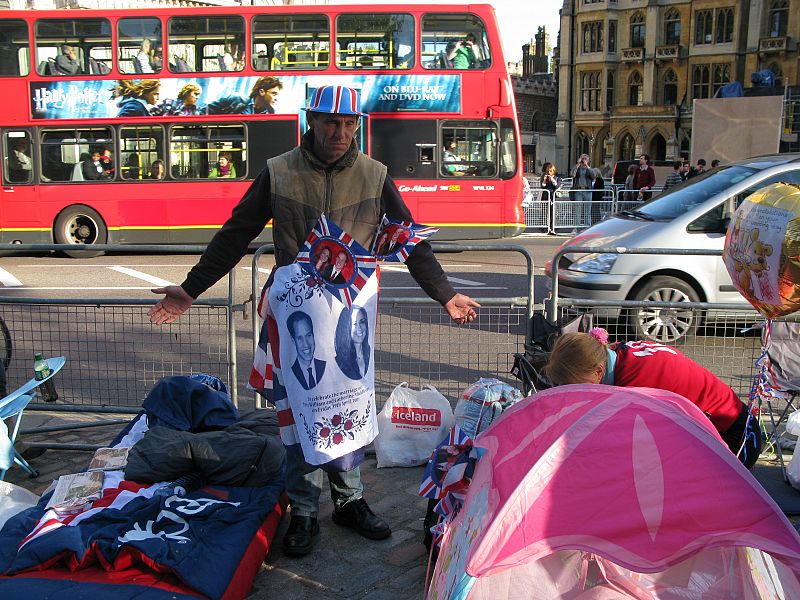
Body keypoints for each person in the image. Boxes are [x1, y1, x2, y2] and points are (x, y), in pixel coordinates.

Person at [147, 84, 479, 557]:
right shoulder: (278, 172)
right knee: (296, 411)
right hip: (295, 315)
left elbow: (411, 242)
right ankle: (302, 507)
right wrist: (190, 289)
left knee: (349, 403)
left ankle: (350, 500)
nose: (340, 132)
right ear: (311, 120)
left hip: (350, 320)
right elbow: (236, 233)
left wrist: (445, 294)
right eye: (330, 122)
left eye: (348, 124)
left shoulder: (374, 174)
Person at [543, 330, 763, 469]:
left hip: (735, 436)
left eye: (577, 384)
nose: (576, 392)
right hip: (715, 432)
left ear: (599, 371)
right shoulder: (614, 354)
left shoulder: (636, 381)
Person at [287, 311, 325, 391]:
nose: (306, 344)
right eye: (300, 338)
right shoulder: (289, 373)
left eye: (308, 335)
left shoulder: (324, 367)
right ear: (293, 341)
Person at [207, 76, 282, 115]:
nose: (276, 99)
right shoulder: (237, 99)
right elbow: (207, 109)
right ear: (262, 92)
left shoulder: (270, 112)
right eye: (274, 94)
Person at [335, 306, 370, 380]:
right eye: (354, 324)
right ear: (345, 327)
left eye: (362, 322)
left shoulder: (369, 352)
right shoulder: (340, 361)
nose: (359, 329)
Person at [571, 153, 595, 229]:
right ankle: (576, 228)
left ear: (588, 160)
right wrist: (578, 165)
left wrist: (587, 166)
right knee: (577, 210)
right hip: (578, 191)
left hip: (587, 191)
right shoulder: (577, 168)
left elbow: (593, 176)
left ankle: (587, 227)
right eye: (582, 158)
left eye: (585, 159)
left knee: (587, 210)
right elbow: (572, 175)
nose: (583, 160)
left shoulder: (589, 169)